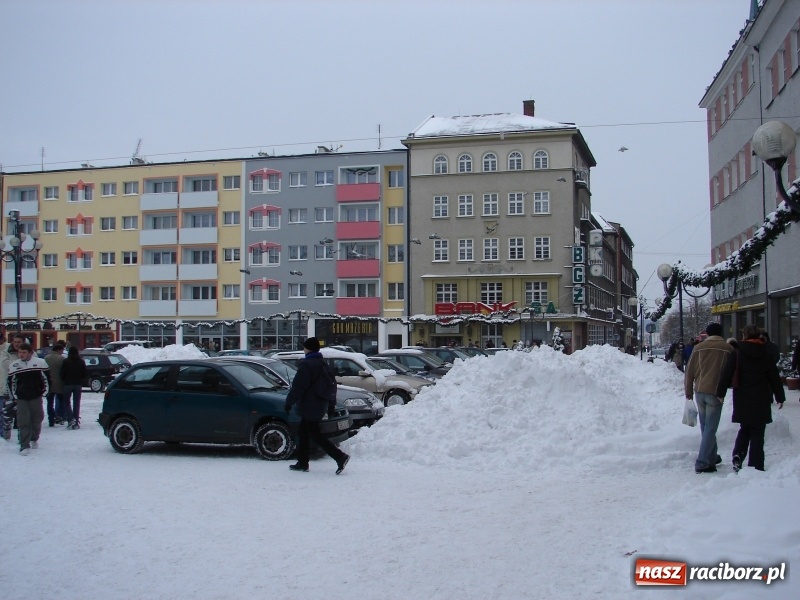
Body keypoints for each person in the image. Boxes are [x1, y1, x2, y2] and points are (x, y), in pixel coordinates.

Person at [717, 325, 785, 472]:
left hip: (742, 397)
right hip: (761, 397)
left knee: (745, 428)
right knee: (758, 432)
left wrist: (720, 393)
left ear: (744, 336)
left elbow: (727, 374)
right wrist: (780, 397)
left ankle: (738, 455)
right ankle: (756, 465)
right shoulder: (765, 352)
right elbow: (774, 377)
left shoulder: (737, 352)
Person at [284, 337, 350, 474]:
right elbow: (332, 386)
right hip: (320, 403)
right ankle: (302, 462)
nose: (303, 349)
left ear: (308, 349)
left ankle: (340, 456)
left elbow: (298, 387)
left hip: (310, 404)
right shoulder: (323, 364)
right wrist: (331, 404)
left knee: (314, 434)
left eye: (304, 347)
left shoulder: (307, 365)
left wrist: (289, 402)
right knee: (304, 432)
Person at [684, 323, 735, 474]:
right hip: (716, 391)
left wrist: (688, 391)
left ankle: (711, 456)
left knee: (705, 426)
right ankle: (703, 462)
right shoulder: (728, 349)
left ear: (707, 333)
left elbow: (689, 371)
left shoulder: (698, 348)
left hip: (699, 390)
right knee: (710, 428)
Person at [8, 342, 49, 455]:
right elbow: (11, 382)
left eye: (24, 352)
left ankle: (34, 438)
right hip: (21, 398)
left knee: (37, 419)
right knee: (23, 421)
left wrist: (45, 392)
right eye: (20, 352)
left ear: (30, 353)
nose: (21, 354)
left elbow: (47, 378)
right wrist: (14, 396)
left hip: (36, 396)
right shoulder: (14, 366)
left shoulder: (40, 363)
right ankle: (24, 445)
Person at [1, 334, 24, 441]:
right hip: (9, 387)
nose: (17, 344)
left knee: (23, 413)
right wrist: (22, 363)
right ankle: (6, 431)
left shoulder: (30, 352)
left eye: (19, 342)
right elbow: (6, 365)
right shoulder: (6, 353)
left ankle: (22, 435)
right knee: (8, 412)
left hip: (24, 387)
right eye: (15, 342)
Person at [60, 346, 87, 429]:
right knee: (77, 403)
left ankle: (71, 418)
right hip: (78, 384)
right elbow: (85, 373)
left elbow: (62, 373)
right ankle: (76, 420)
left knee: (66, 402)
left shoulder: (66, 361)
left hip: (68, 384)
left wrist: (65, 379)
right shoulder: (81, 361)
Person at [44, 342, 70, 427]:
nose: (62, 352)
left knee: (50, 403)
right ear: (58, 350)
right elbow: (64, 371)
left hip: (49, 383)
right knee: (61, 401)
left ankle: (51, 420)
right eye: (62, 350)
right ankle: (60, 416)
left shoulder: (46, 358)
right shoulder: (61, 359)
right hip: (59, 383)